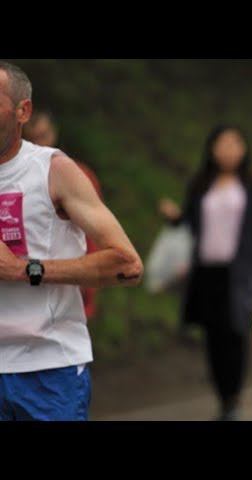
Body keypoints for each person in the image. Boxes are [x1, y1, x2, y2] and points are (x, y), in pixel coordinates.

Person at [0, 61, 143, 421]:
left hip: (47, 366)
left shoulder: (54, 170)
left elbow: (127, 263)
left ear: (23, 111)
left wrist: (24, 269)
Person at [159, 125, 252, 421]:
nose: (228, 149)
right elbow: (190, 226)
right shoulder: (200, 185)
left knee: (234, 333)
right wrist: (175, 218)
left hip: (240, 273)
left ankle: (233, 398)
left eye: (235, 143)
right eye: (222, 143)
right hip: (206, 271)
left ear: (244, 148)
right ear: (211, 148)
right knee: (212, 335)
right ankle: (223, 396)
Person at [22, 109, 103, 320]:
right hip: (24, 284)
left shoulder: (78, 175)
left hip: (68, 281)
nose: (40, 144)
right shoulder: (14, 179)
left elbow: (94, 232)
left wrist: (89, 280)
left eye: (43, 135)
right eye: (32, 138)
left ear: (54, 133)